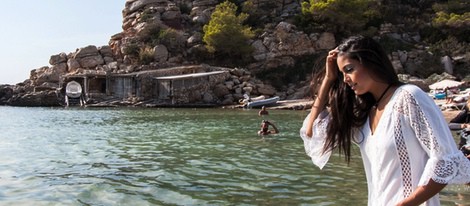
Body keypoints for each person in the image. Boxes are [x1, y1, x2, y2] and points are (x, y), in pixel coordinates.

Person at [299, 35, 470, 205]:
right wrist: (329, 79)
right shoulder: (364, 113)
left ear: (371, 62)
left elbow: (446, 162)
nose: (345, 79)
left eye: (349, 69)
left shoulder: (408, 97)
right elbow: (311, 131)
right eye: (342, 73)